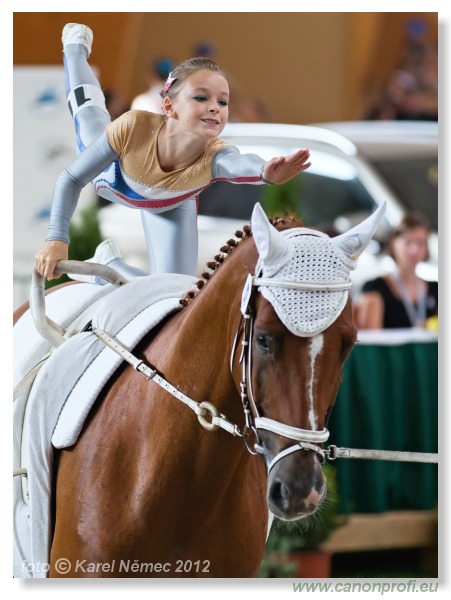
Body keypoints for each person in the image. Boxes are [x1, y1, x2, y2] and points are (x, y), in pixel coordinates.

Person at [35, 23, 312, 283]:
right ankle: (75, 48)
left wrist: (266, 171)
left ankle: (109, 267)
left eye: (223, 100)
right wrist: (57, 239)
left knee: (177, 291)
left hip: (170, 204)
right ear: (169, 107)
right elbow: (71, 179)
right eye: (201, 97)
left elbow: (240, 163)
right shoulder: (133, 127)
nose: (215, 107)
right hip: (112, 175)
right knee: (88, 114)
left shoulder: (215, 155)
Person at [355, 212, 438, 329]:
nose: (414, 250)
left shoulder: (436, 289)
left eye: (420, 243)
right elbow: (371, 342)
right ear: (393, 244)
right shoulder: (375, 288)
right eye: (408, 242)